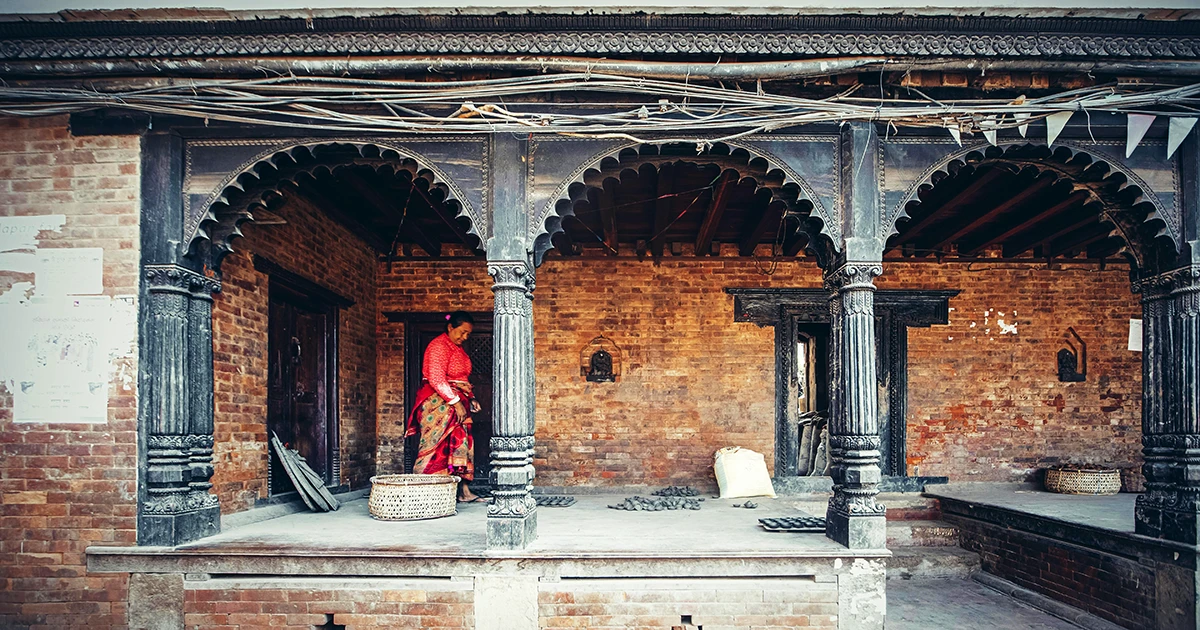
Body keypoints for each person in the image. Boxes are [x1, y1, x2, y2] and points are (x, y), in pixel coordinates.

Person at [406, 311, 483, 502]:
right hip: (438, 404)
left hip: (458, 403)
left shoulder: (458, 349)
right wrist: (456, 402)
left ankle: (464, 492)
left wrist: (470, 398)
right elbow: (436, 379)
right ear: (450, 327)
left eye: (468, 334)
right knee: (436, 445)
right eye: (462, 332)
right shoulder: (438, 346)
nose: (465, 337)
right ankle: (427, 494)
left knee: (461, 444)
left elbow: (462, 378)